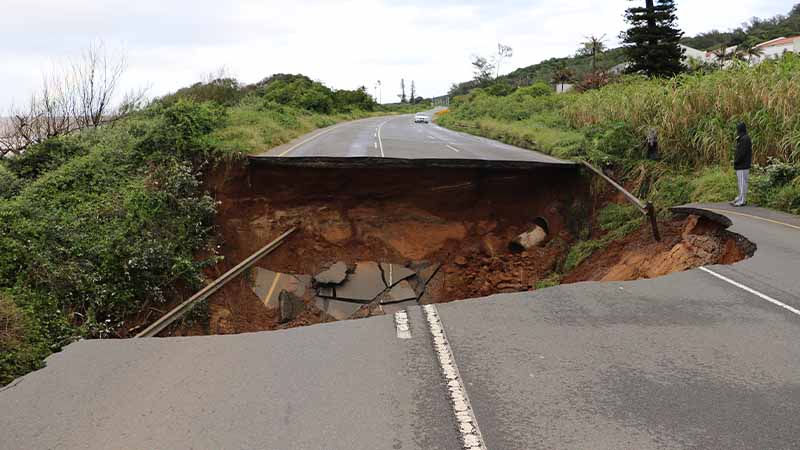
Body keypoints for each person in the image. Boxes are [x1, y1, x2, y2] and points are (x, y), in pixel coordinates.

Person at [732, 122, 753, 207]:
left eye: (738, 129)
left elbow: (742, 153)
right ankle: (740, 197)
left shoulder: (745, 139)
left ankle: (742, 200)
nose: (737, 131)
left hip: (742, 165)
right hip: (741, 165)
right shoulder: (742, 138)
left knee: (742, 183)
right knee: (741, 182)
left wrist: (736, 161)